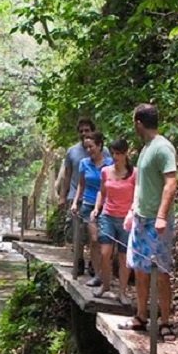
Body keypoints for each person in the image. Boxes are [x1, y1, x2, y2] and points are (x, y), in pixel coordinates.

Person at [120, 104, 177, 342]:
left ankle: (166, 322)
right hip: (141, 218)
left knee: (161, 272)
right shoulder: (145, 149)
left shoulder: (163, 148)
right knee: (140, 269)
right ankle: (141, 316)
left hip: (156, 220)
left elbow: (171, 183)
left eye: (134, 123)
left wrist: (162, 216)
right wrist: (132, 210)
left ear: (139, 123)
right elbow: (142, 185)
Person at [93, 138, 136, 304]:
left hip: (126, 219)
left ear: (125, 153)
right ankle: (105, 285)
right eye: (113, 153)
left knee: (124, 257)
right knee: (105, 253)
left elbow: (137, 196)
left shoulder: (134, 173)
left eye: (118, 153)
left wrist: (132, 213)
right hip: (108, 216)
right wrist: (97, 208)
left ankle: (122, 292)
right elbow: (102, 192)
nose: (115, 156)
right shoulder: (106, 171)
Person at [71, 132, 113, 288]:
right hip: (88, 204)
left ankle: (105, 273)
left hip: (107, 205)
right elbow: (81, 185)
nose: (89, 150)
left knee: (106, 242)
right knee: (94, 240)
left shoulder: (109, 164)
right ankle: (97, 274)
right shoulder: (84, 163)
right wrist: (75, 202)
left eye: (91, 146)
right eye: (86, 147)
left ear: (100, 145)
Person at [61, 119, 96, 271]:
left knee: (94, 234)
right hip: (76, 195)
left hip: (95, 196)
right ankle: (79, 261)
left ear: (92, 131)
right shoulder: (72, 151)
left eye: (87, 130)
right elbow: (67, 175)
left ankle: (94, 264)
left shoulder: (102, 149)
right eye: (81, 131)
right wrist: (63, 196)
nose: (84, 134)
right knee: (77, 231)